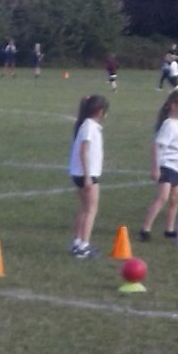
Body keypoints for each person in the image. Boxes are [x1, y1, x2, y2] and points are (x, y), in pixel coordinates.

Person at [140, 87, 178, 243]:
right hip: (166, 166)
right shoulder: (169, 124)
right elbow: (156, 146)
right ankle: (145, 229)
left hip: (176, 167)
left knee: (175, 199)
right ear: (173, 106)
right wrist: (156, 168)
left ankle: (169, 229)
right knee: (162, 198)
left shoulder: (176, 123)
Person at [67, 94, 108, 258]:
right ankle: (84, 245)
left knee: (84, 209)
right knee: (91, 210)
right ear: (100, 112)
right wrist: (87, 177)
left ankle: (77, 242)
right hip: (86, 174)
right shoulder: (90, 127)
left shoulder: (87, 125)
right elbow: (83, 151)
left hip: (81, 173)